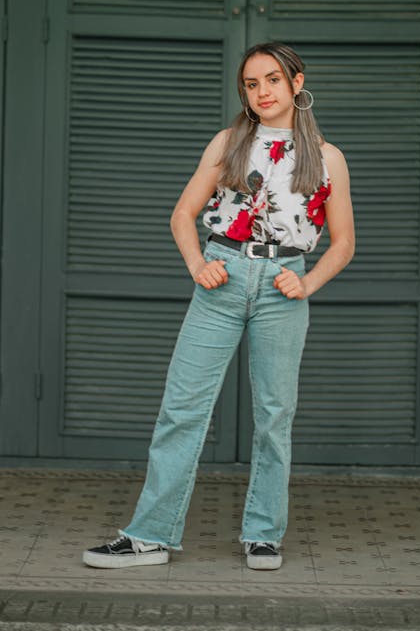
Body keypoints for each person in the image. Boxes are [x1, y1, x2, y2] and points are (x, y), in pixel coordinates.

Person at [83, 42, 355, 572]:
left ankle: (262, 536)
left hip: (284, 284)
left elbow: (343, 242)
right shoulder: (229, 142)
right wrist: (197, 265)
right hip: (222, 277)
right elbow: (183, 214)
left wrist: (309, 283)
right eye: (251, 84)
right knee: (181, 410)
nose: (262, 92)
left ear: (297, 83)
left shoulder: (328, 158)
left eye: (273, 80)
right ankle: (150, 536)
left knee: (275, 417)